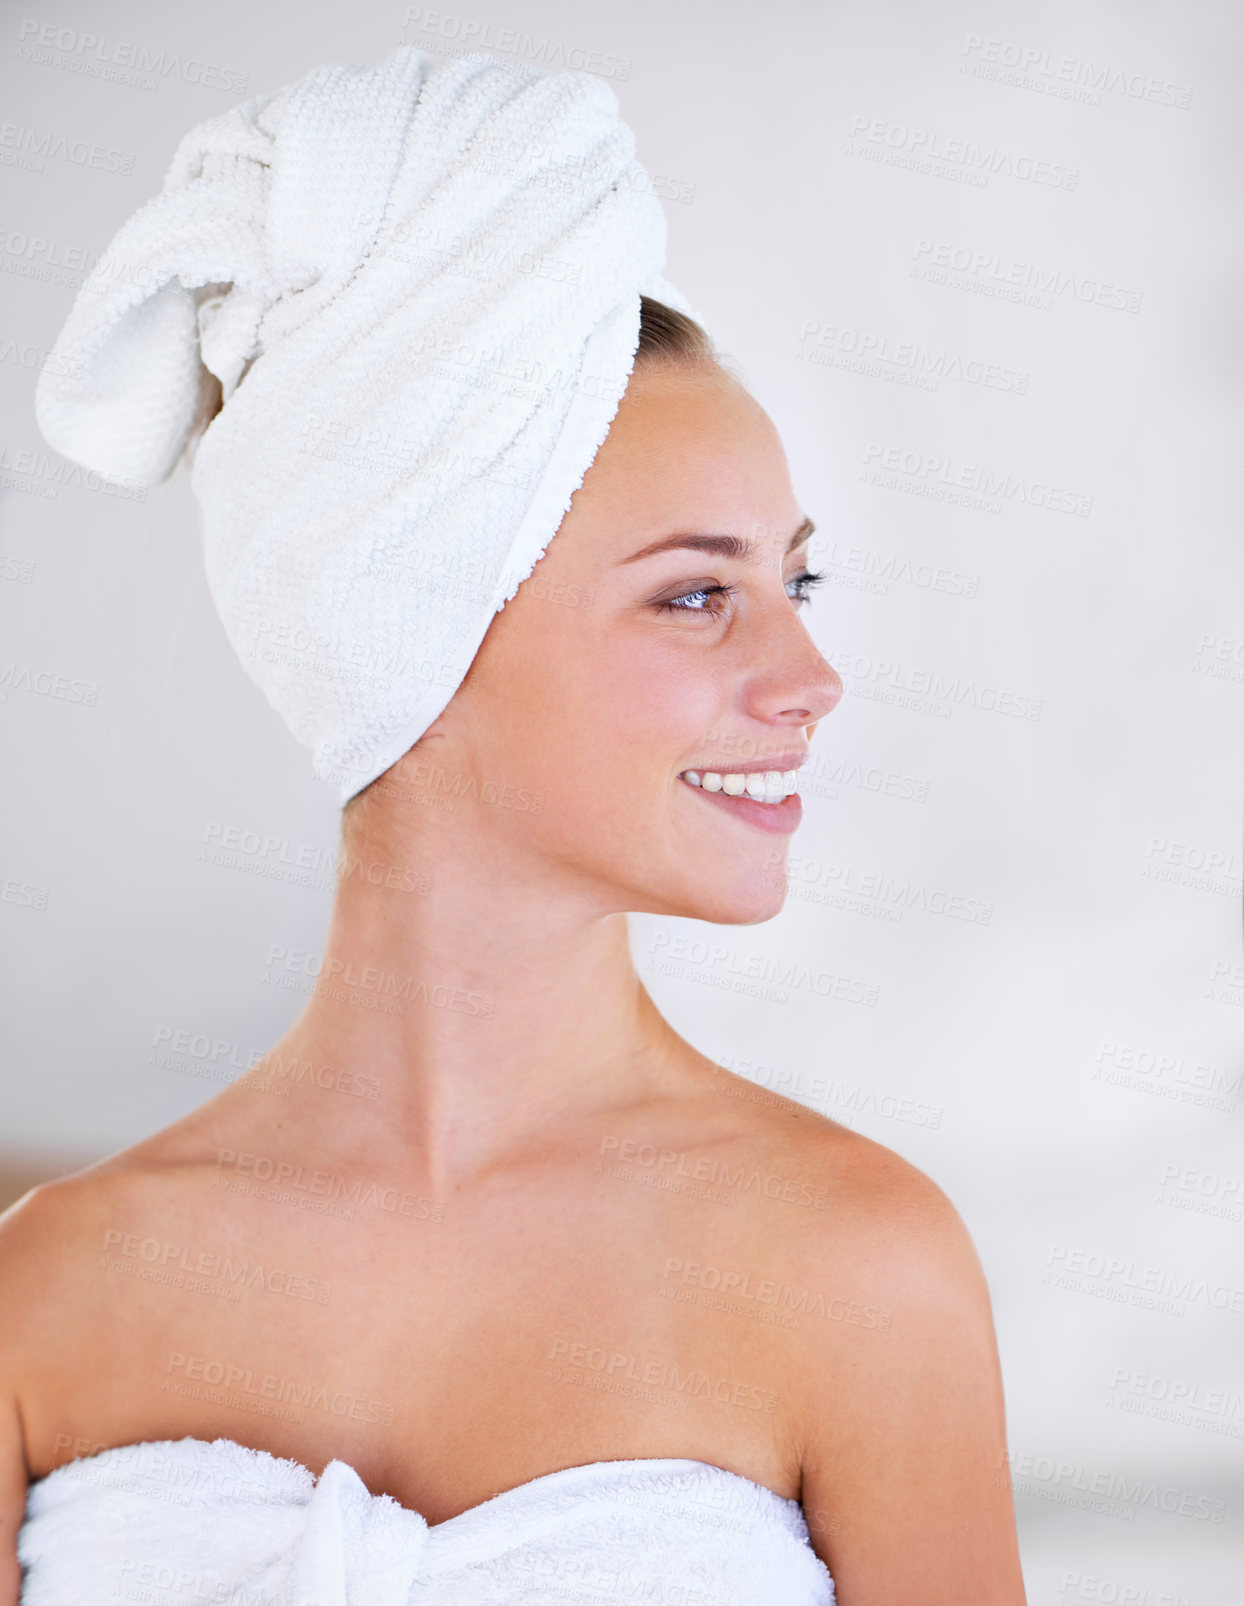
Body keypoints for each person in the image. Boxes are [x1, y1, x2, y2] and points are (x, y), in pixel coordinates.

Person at [0, 47, 1028, 1606]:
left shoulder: (859, 1268)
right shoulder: (49, 1291)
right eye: (698, 595)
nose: (809, 676)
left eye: (791, 584)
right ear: (412, 629)